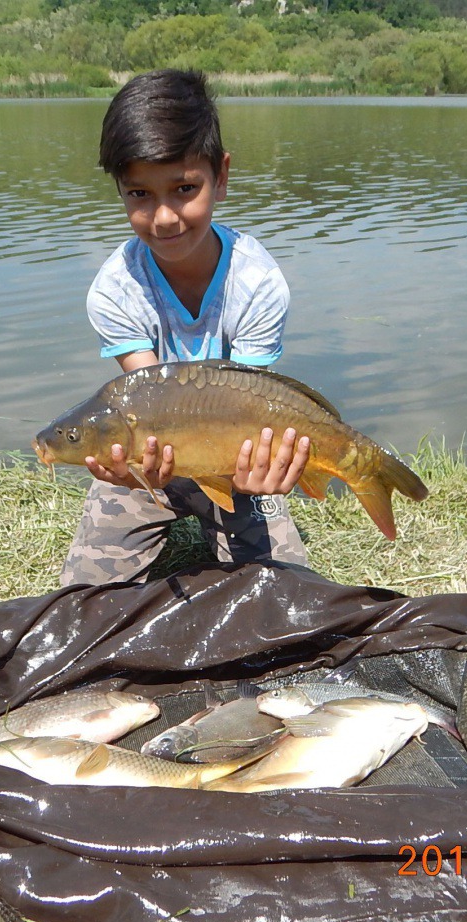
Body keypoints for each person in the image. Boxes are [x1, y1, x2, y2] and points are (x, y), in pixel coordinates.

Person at [60, 68, 311, 587]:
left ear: (221, 176)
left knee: (289, 591)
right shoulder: (115, 289)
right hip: (151, 464)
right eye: (139, 194)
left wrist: (263, 465)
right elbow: (146, 400)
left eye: (184, 188)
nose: (164, 216)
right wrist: (128, 467)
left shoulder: (259, 282)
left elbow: (250, 401)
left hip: (235, 461)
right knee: (82, 599)